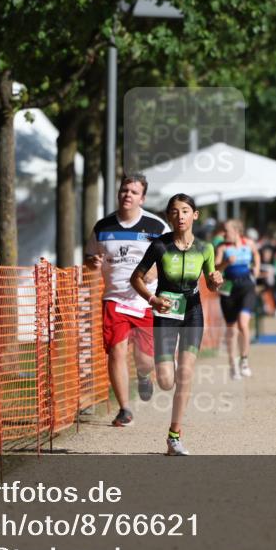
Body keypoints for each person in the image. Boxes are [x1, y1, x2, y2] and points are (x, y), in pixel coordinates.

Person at [130, 194, 223, 456]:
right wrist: (152, 299)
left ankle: (174, 436)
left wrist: (216, 279)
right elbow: (135, 278)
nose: (179, 216)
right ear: (169, 217)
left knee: (185, 374)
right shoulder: (159, 246)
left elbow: (212, 284)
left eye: (185, 211)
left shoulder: (205, 248)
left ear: (195, 215)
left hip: (193, 312)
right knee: (166, 381)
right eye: (174, 212)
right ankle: (143, 370)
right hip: (165, 312)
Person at [84, 174, 168, 427]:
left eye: (133, 192)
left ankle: (143, 375)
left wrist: (158, 270)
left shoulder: (157, 227)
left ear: (142, 198)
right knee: (116, 351)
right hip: (114, 299)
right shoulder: (103, 227)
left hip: (145, 300)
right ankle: (124, 409)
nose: (127, 195)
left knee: (144, 359)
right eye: (124, 190)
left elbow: (173, 259)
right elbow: (90, 257)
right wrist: (92, 262)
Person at [215, 219, 260, 380]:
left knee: (243, 323)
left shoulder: (248, 243)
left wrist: (257, 268)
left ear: (236, 231)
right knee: (231, 328)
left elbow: (256, 254)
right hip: (228, 288)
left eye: (226, 231)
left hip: (247, 286)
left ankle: (244, 360)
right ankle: (232, 365)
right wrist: (226, 263)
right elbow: (215, 269)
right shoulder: (222, 247)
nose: (223, 234)